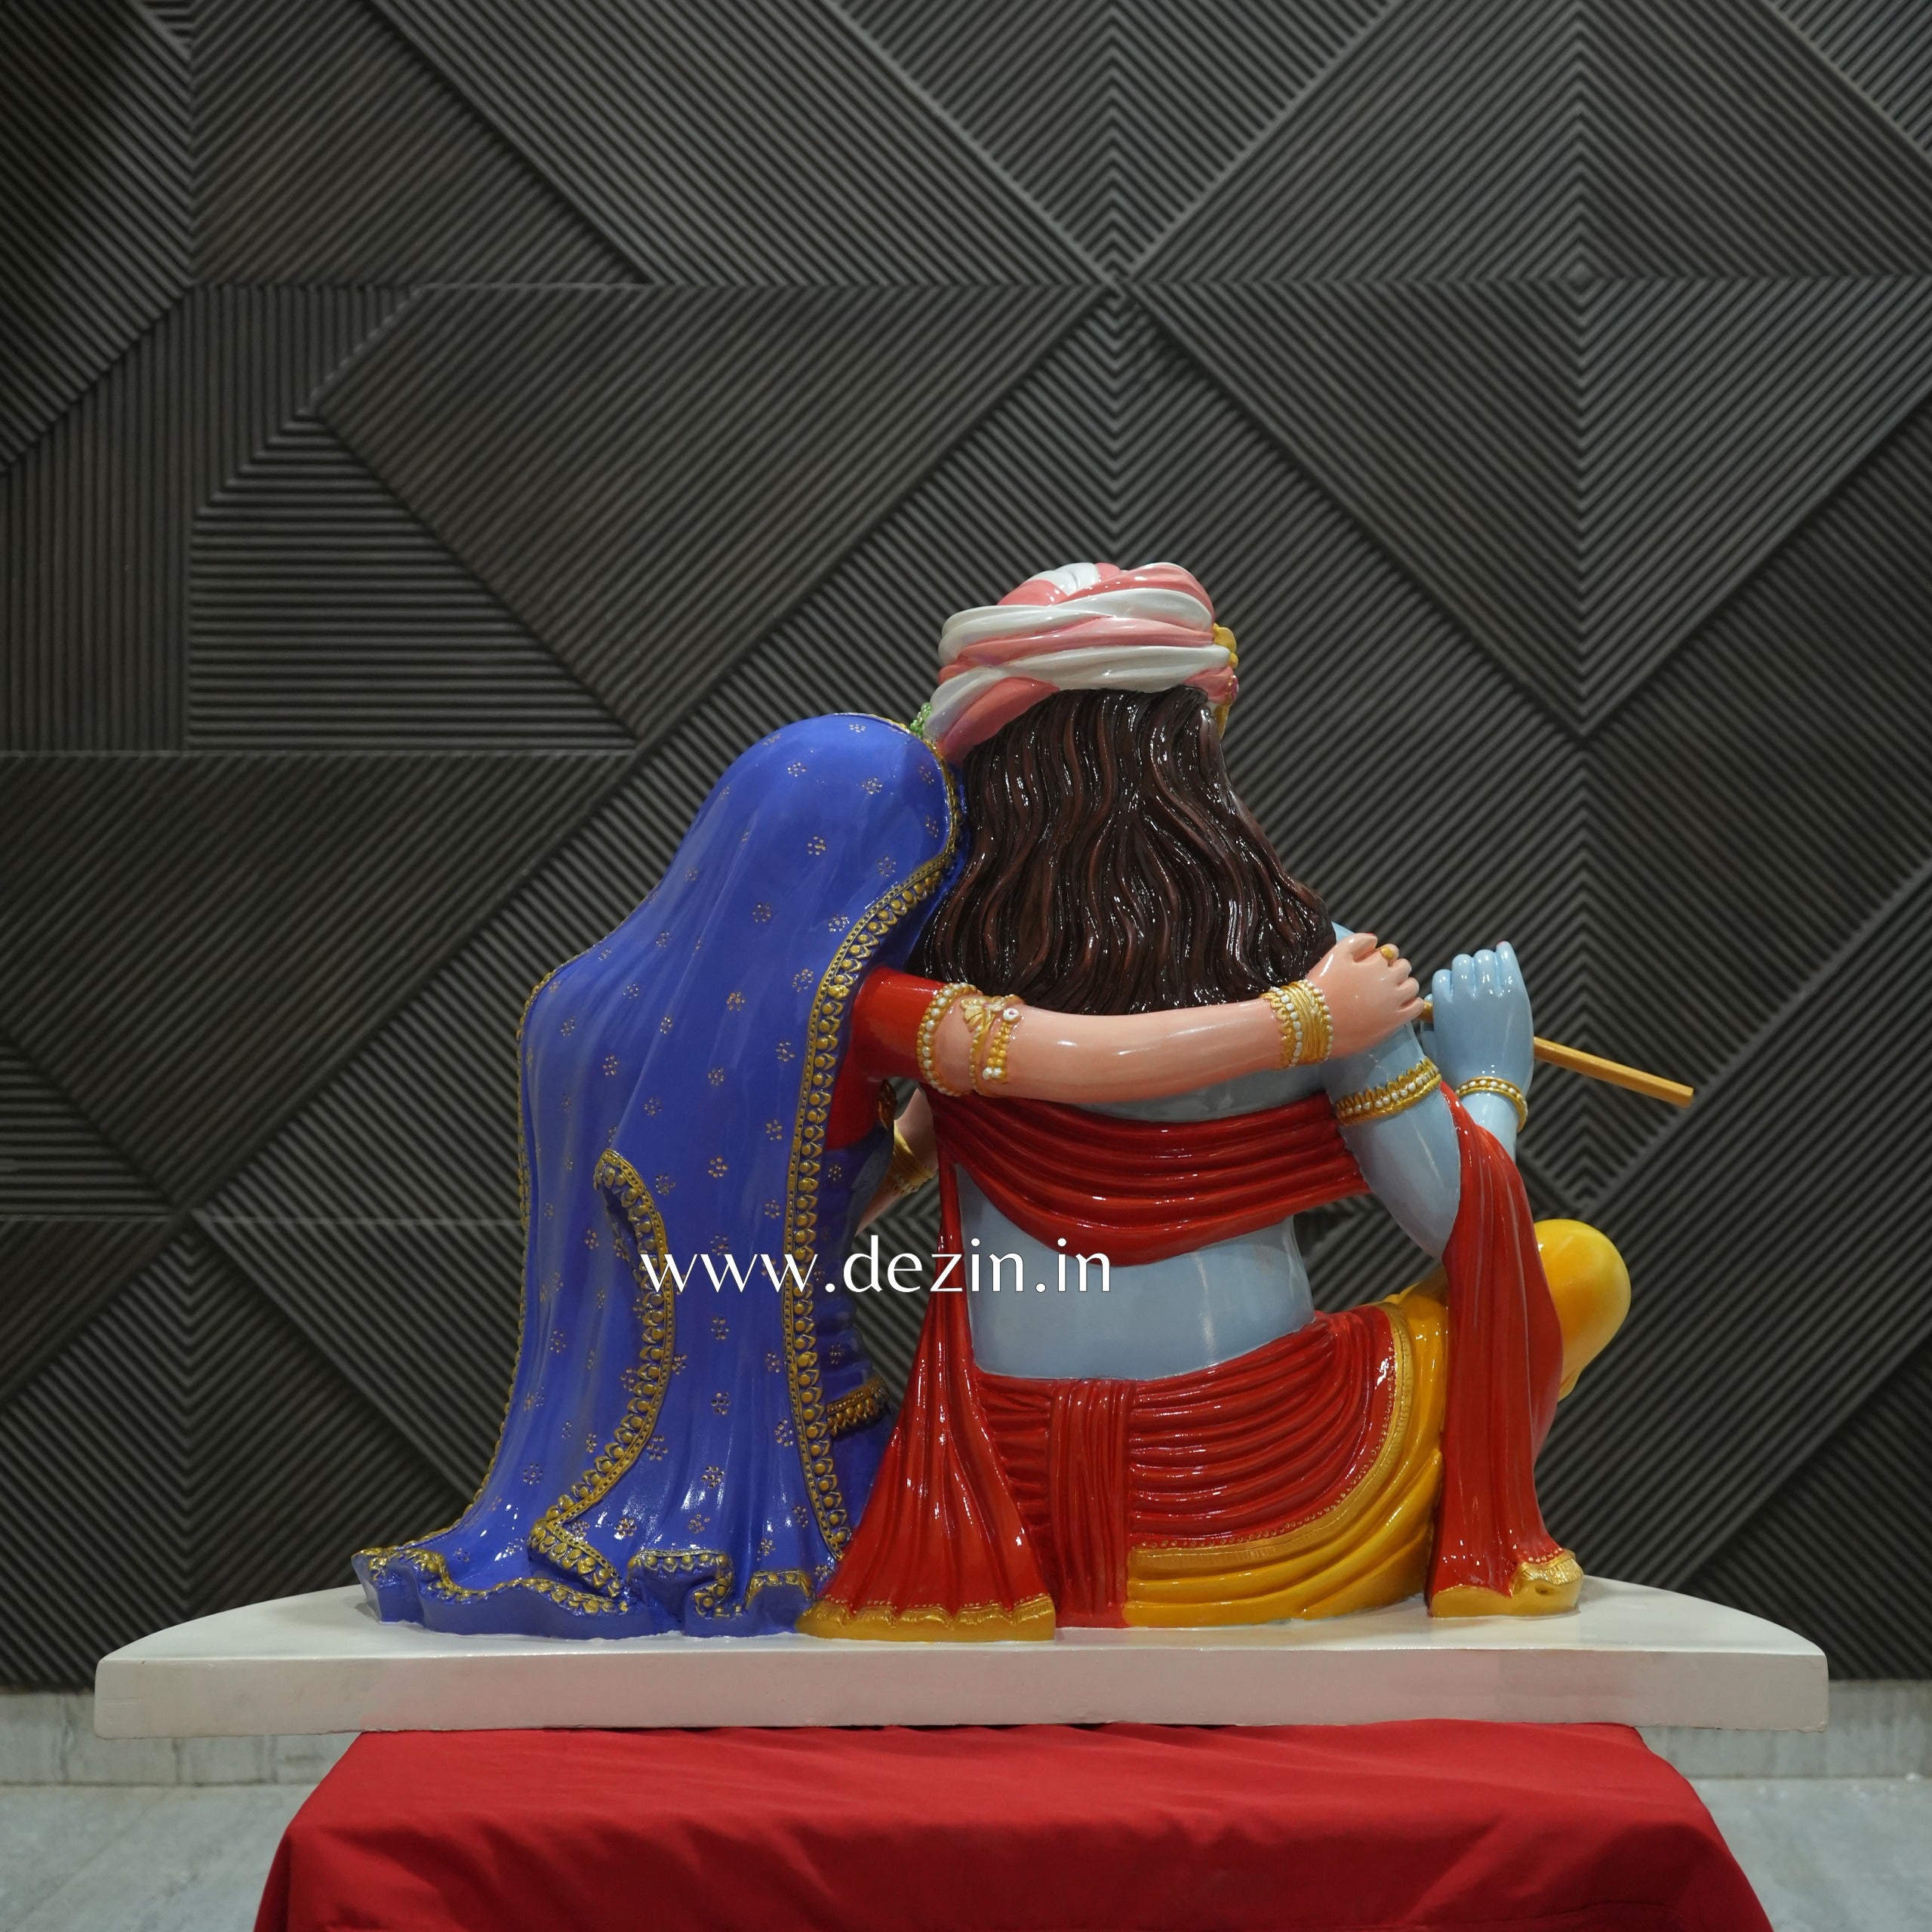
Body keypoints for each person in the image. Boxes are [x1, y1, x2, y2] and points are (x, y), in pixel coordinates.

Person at [355, 561, 1626, 1641]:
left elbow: (864, 1175)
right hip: (1252, 1493)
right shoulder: (1322, 973)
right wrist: (1486, 1075)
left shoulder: (937, 980)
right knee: (1571, 1271)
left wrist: (919, 1141)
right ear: (1193, 765)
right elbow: (1463, 1221)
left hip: (997, 1502)